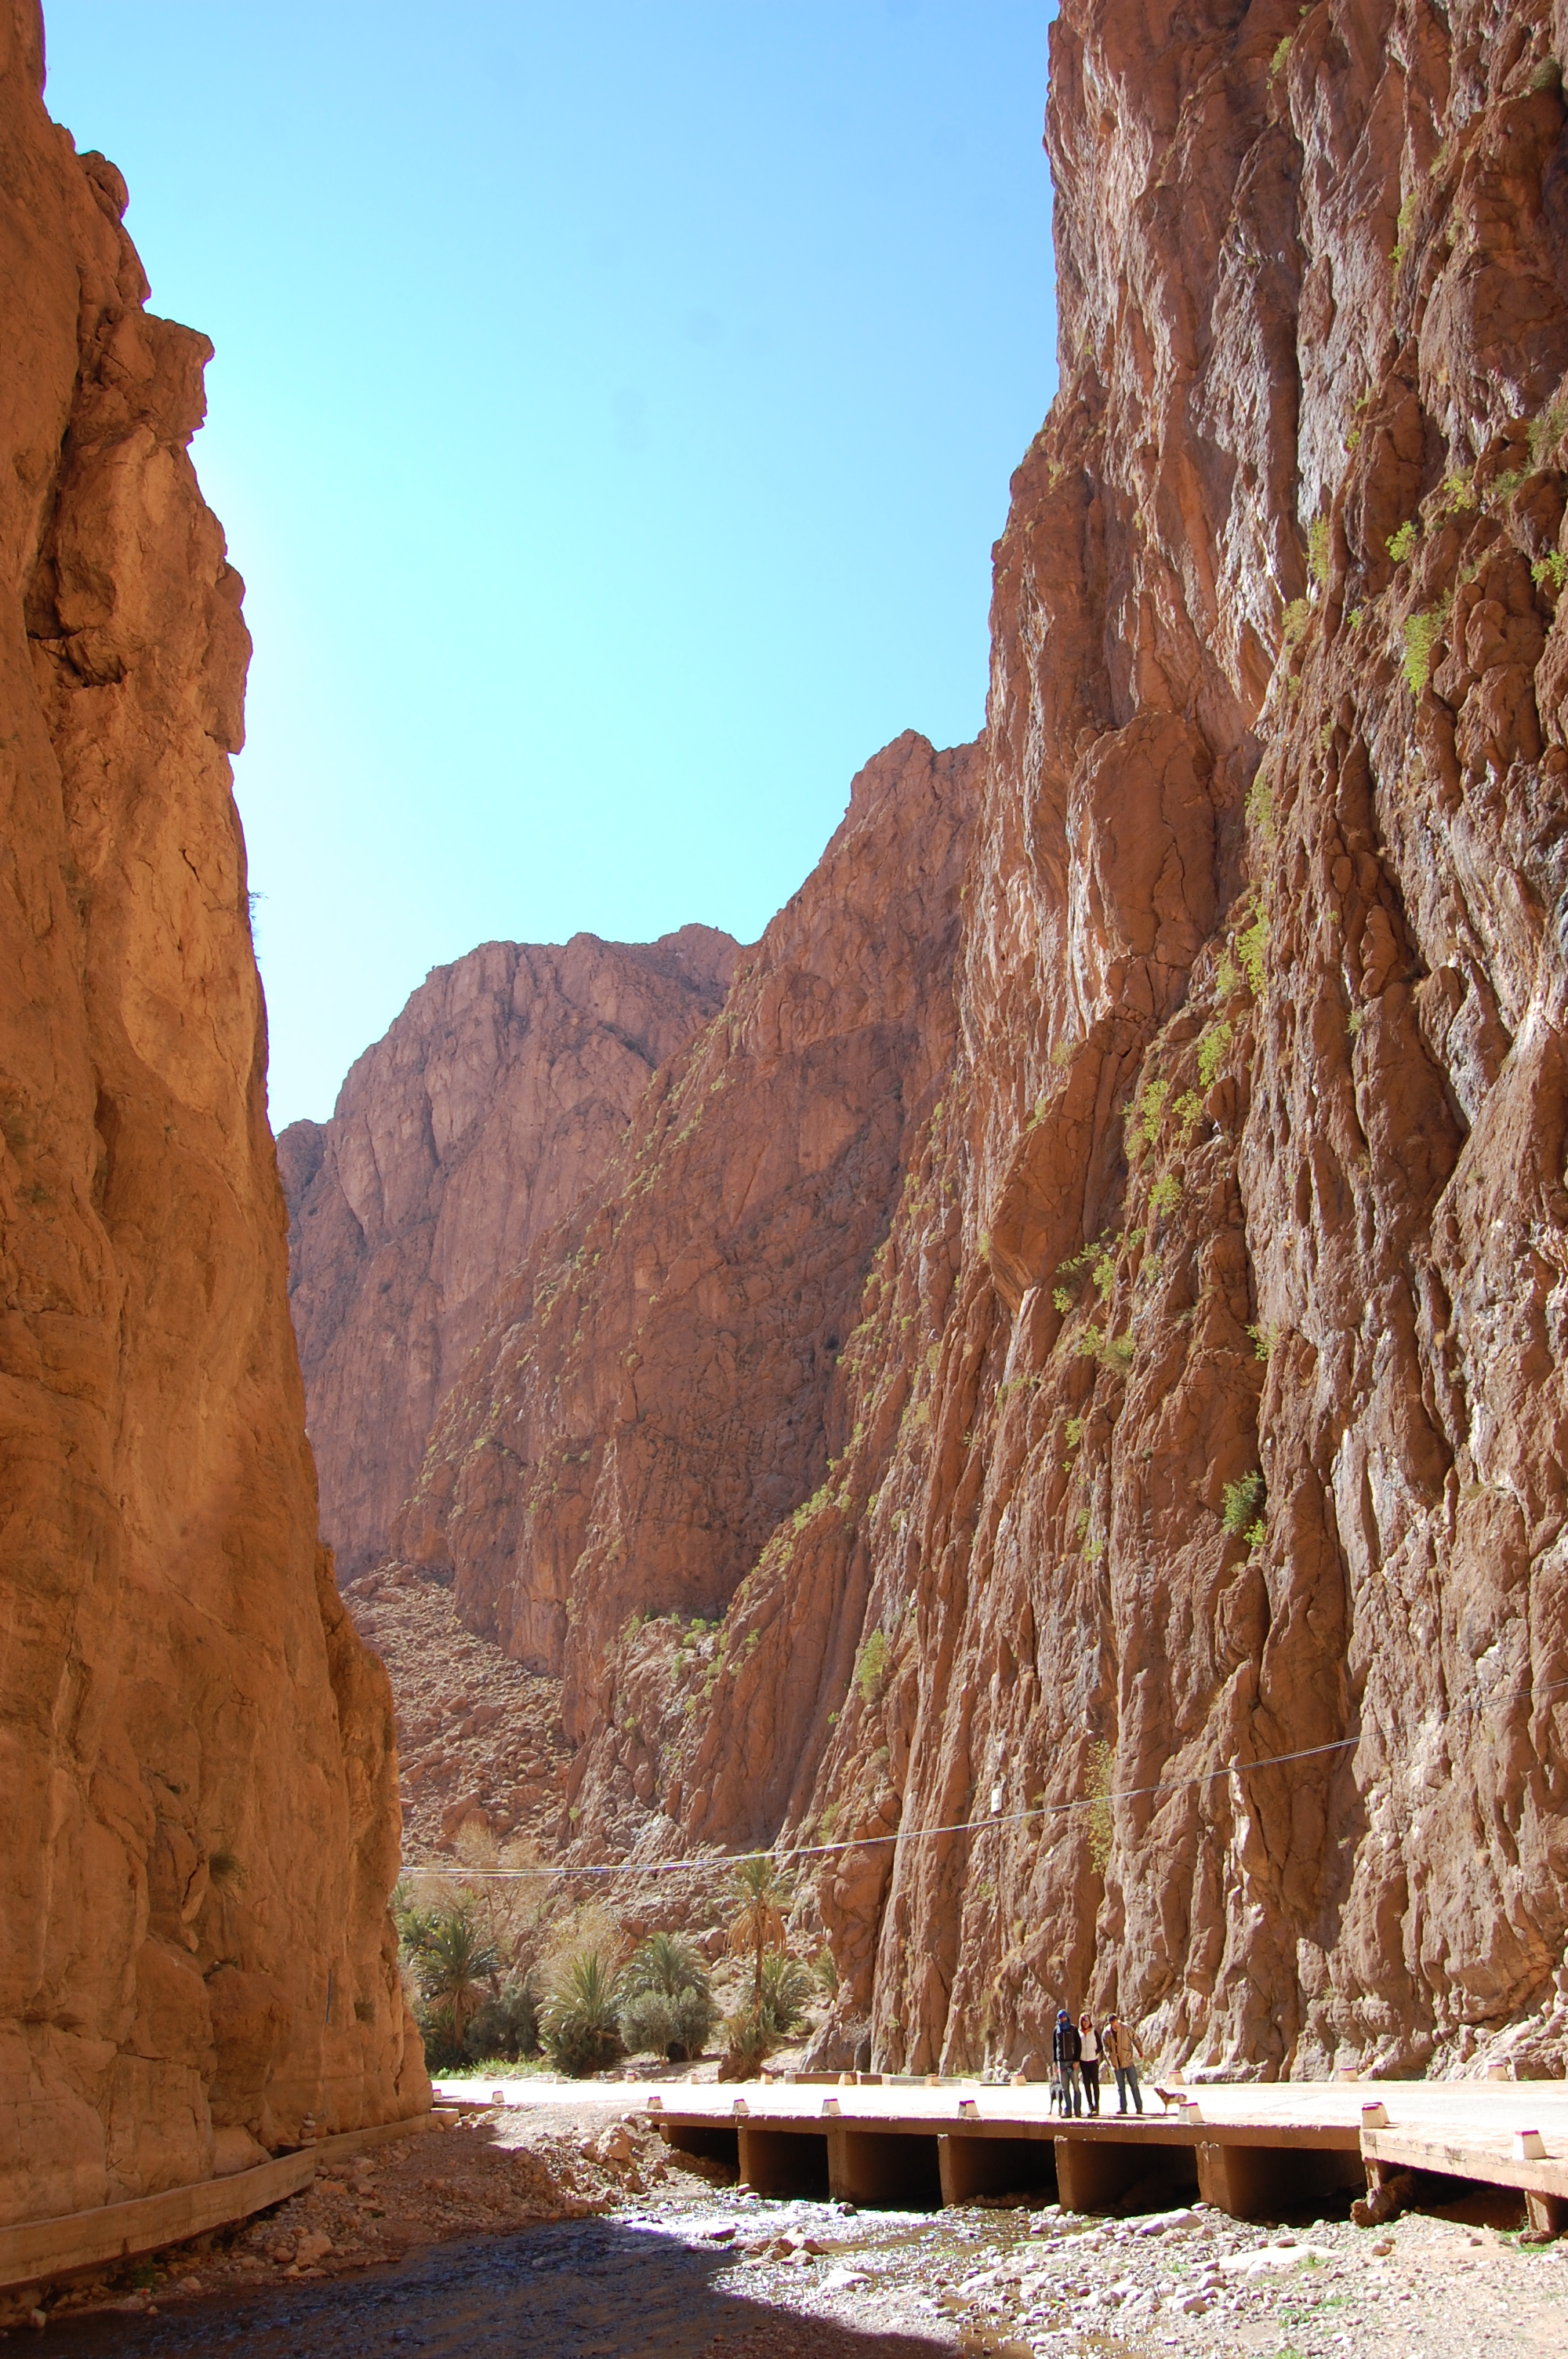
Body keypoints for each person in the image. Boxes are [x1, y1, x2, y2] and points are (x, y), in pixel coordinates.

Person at [1102, 2009, 1144, 2114]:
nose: (1115, 2026)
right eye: (1113, 2025)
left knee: (1134, 2085)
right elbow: (1105, 2047)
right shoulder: (1107, 2033)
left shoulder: (1126, 2028)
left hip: (1127, 2060)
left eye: (1116, 2023)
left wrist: (1140, 2050)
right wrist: (1110, 2058)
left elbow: (1135, 2039)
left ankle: (1139, 2107)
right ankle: (1123, 2108)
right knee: (1121, 2087)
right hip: (1116, 2063)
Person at [1051, 2006, 1082, 2117]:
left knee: (1076, 2087)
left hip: (1072, 2062)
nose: (1062, 2019)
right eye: (1060, 2018)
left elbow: (1079, 2045)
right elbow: (1054, 2046)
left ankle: (1077, 2110)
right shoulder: (1056, 2030)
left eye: (1064, 2017)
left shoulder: (1073, 2029)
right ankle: (1067, 2110)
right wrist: (1055, 2062)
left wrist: (1077, 2060)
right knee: (1064, 2089)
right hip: (1061, 2063)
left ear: (1068, 2018)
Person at [1077, 2012, 1101, 2115]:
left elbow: (1100, 2046)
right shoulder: (1079, 2033)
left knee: (1095, 2083)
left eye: (1087, 2020)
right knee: (1086, 2084)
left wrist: (1095, 2053)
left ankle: (1097, 2105)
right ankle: (1090, 2105)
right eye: (1083, 2020)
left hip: (1093, 2061)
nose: (1085, 2022)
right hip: (1083, 2062)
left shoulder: (1094, 2032)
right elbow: (1077, 2047)